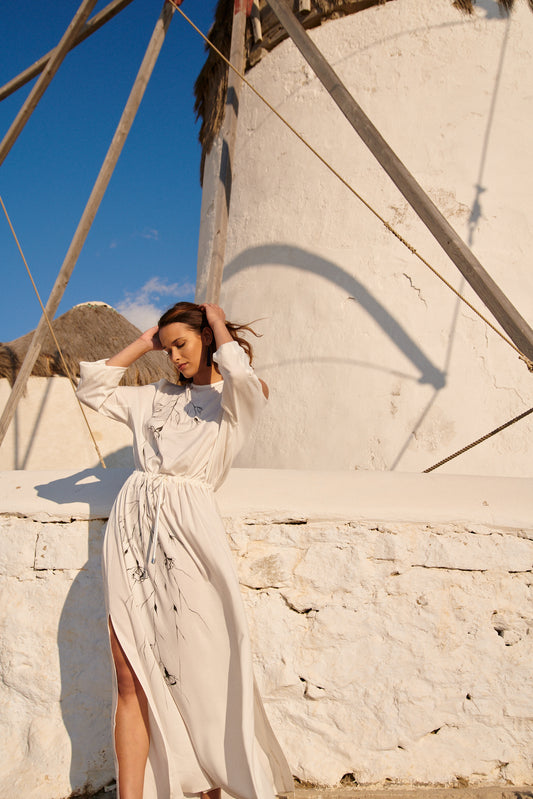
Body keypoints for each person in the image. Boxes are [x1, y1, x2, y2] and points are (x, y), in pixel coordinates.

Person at [76, 302, 293, 799]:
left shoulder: (238, 399)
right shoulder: (153, 397)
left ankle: (211, 785)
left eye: (182, 344)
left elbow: (240, 377)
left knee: (200, 669)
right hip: (132, 529)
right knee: (127, 671)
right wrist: (145, 340)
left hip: (190, 536)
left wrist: (216, 324)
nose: (174, 356)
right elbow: (91, 387)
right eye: (167, 347)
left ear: (209, 342)